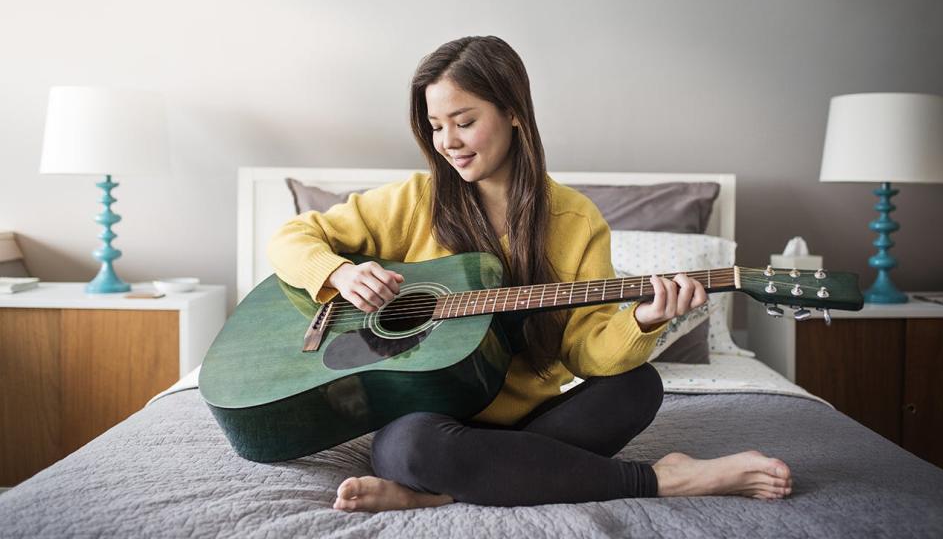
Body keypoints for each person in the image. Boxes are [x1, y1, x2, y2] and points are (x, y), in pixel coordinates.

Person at [268, 35, 793, 513]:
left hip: (533, 419)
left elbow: (585, 351)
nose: (447, 141)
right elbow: (290, 238)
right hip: (428, 421)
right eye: (435, 126)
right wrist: (338, 273)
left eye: (464, 121)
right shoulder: (414, 200)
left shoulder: (576, 221)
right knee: (410, 446)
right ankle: (664, 480)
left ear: (514, 112)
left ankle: (445, 489)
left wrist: (644, 319)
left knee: (638, 387)